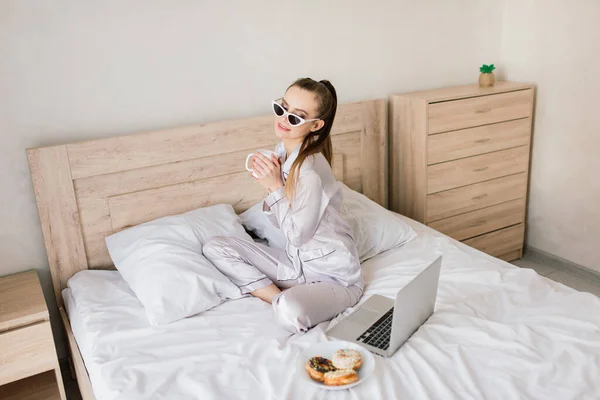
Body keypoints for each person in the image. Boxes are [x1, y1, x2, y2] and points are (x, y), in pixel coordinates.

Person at [203, 78, 363, 334]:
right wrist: (271, 185)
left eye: (296, 118)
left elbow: (298, 236)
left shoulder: (309, 172)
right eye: (281, 109)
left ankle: (286, 300)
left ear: (316, 125)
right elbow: (281, 221)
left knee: (290, 312)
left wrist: (274, 186)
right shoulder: (282, 152)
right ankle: (279, 296)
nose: (284, 119)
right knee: (216, 247)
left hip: (335, 277)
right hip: (295, 264)